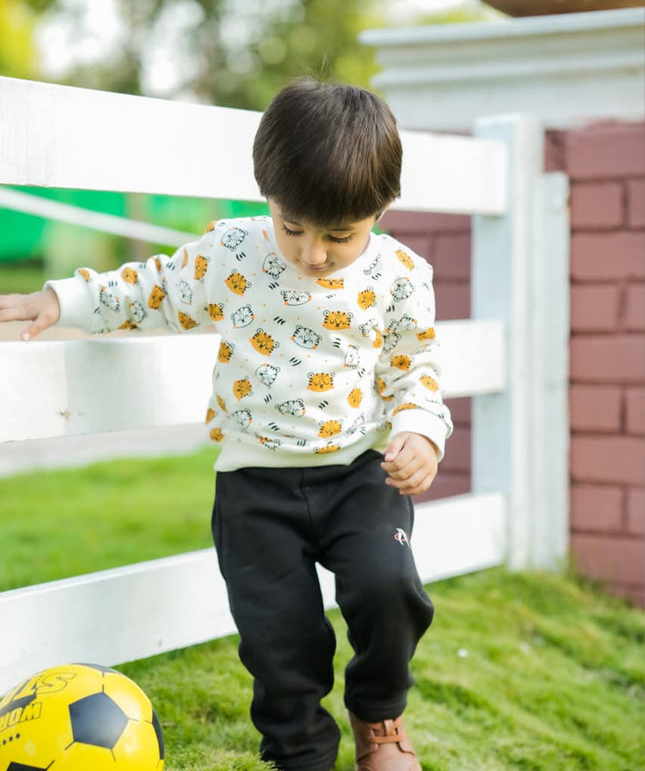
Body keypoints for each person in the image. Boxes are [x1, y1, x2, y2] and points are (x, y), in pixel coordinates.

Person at [0, 78, 453, 771]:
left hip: (360, 472)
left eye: (339, 235)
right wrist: (61, 298)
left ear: (380, 208)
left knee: (386, 585)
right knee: (279, 634)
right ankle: (299, 749)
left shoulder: (399, 275)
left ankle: (379, 717)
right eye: (292, 226)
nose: (312, 254)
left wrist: (419, 430)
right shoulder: (232, 254)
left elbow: (415, 363)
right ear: (267, 195)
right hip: (256, 485)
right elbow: (151, 287)